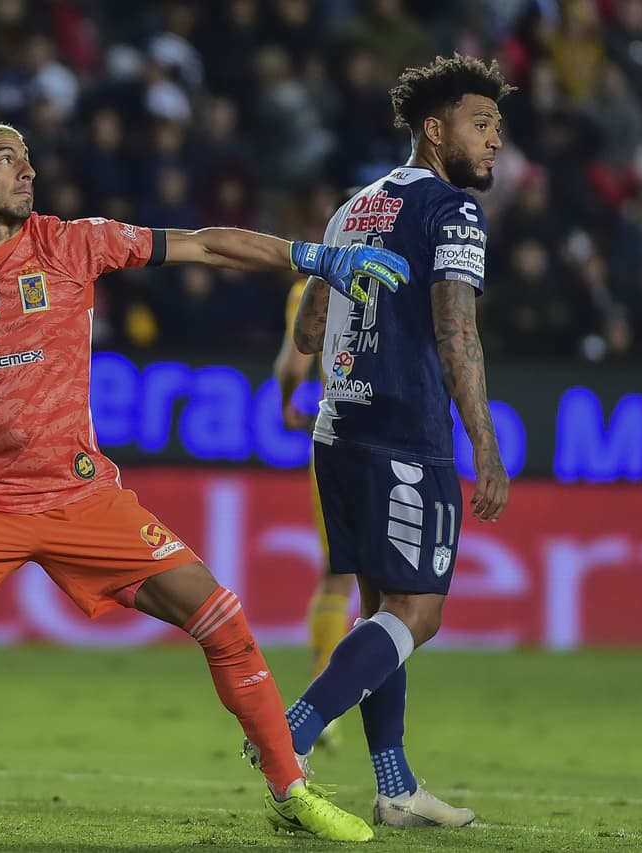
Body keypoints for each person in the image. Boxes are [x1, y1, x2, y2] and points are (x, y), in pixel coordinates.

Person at [0, 122, 410, 843]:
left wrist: (311, 256)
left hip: (81, 495)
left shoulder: (71, 243)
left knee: (223, 619)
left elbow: (202, 242)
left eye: (30, 161)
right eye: (7, 159)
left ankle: (291, 789)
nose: (28, 171)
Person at [247, 54, 513, 829]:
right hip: (405, 433)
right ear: (436, 131)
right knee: (418, 614)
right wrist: (486, 449)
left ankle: (395, 786)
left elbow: (305, 324)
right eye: (481, 124)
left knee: (381, 617)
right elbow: (457, 330)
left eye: (499, 126)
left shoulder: (352, 208)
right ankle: (288, 732)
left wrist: (317, 367)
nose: (496, 141)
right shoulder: (453, 212)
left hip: (340, 431)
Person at [272, 277, 353, 749]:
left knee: (337, 575)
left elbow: (293, 363)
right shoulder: (414, 273)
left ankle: (324, 707)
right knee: (389, 592)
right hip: (403, 441)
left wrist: (287, 401)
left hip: (336, 438)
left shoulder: (314, 283)